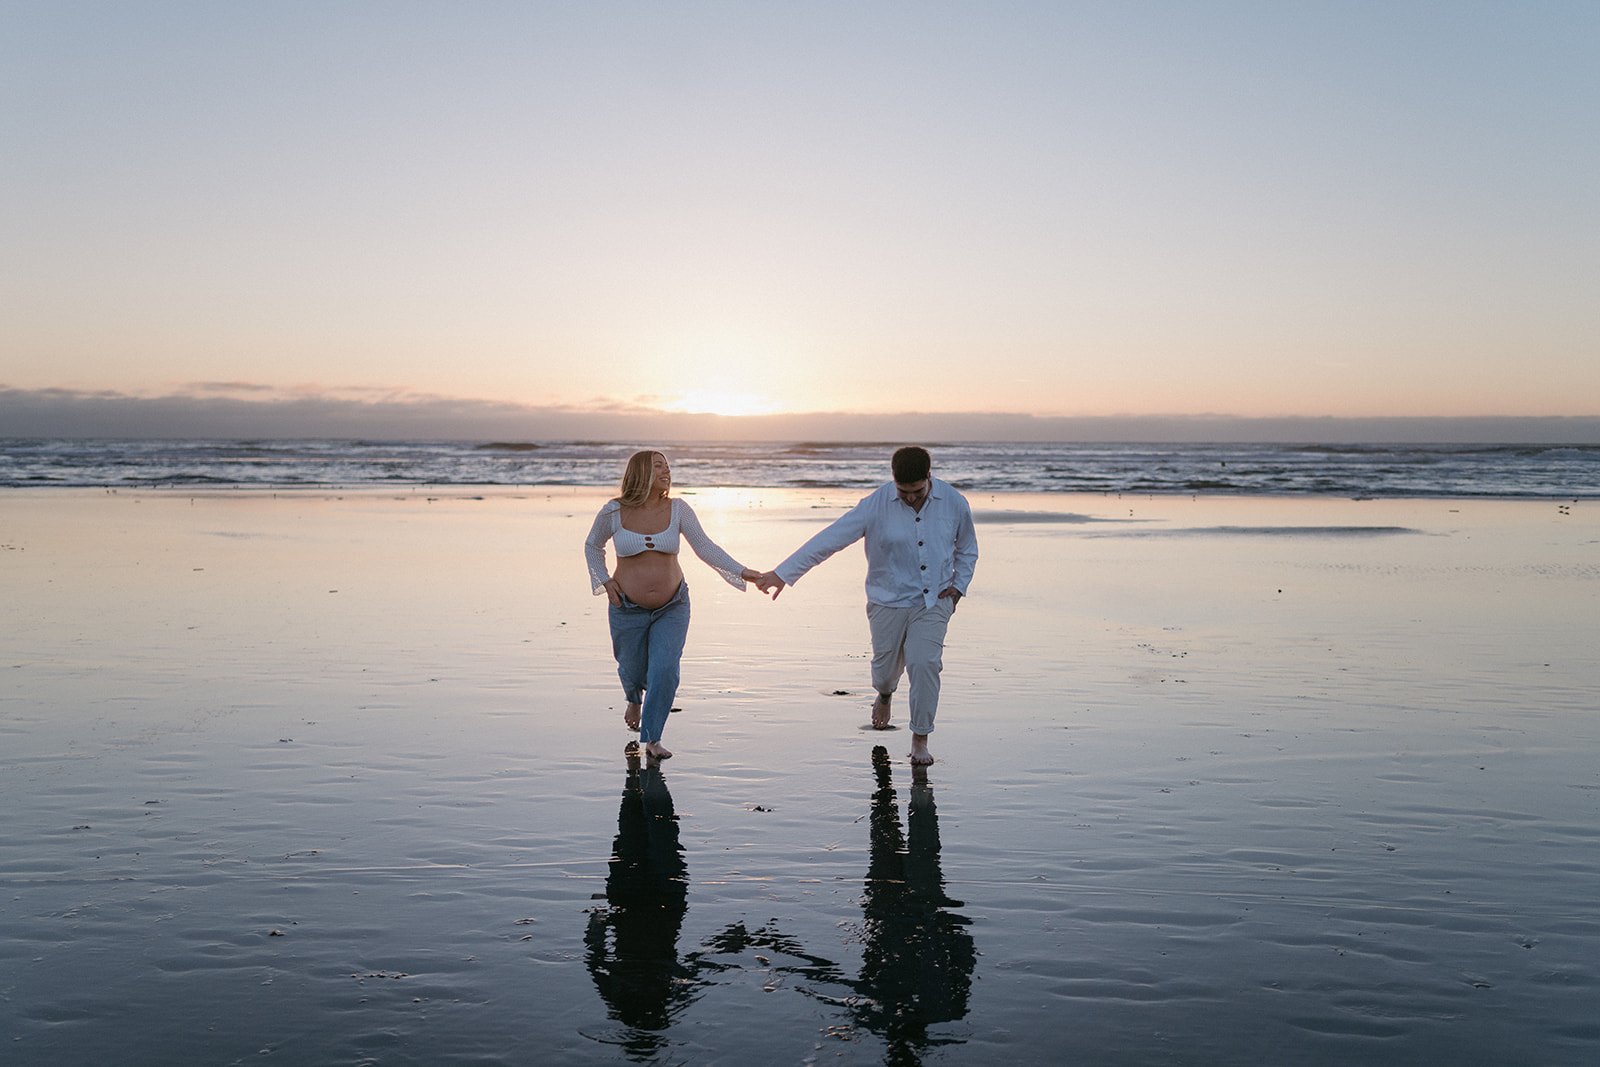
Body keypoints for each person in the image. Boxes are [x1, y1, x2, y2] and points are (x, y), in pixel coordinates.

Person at [755, 446, 977, 765]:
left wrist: (957, 587)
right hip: (887, 601)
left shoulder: (954, 502)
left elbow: (967, 548)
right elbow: (828, 540)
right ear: (893, 481)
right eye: (903, 492)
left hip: (934, 601)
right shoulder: (874, 506)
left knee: (924, 664)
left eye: (917, 491)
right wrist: (783, 573)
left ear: (929, 477)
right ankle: (885, 694)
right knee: (885, 673)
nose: (911, 498)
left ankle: (920, 739)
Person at [585, 450, 760, 760]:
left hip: (673, 604)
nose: (666, 471)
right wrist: (603, 580)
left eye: (667, 466)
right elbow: (592, 546)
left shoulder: (678, 509)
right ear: (640, 473)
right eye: (657, 466)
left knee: (665, 669)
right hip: (626, 606)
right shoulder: (613, 512)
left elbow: (705, 547)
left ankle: (652, 738)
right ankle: (633, 698)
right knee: (631, 668)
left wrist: (741, 570)